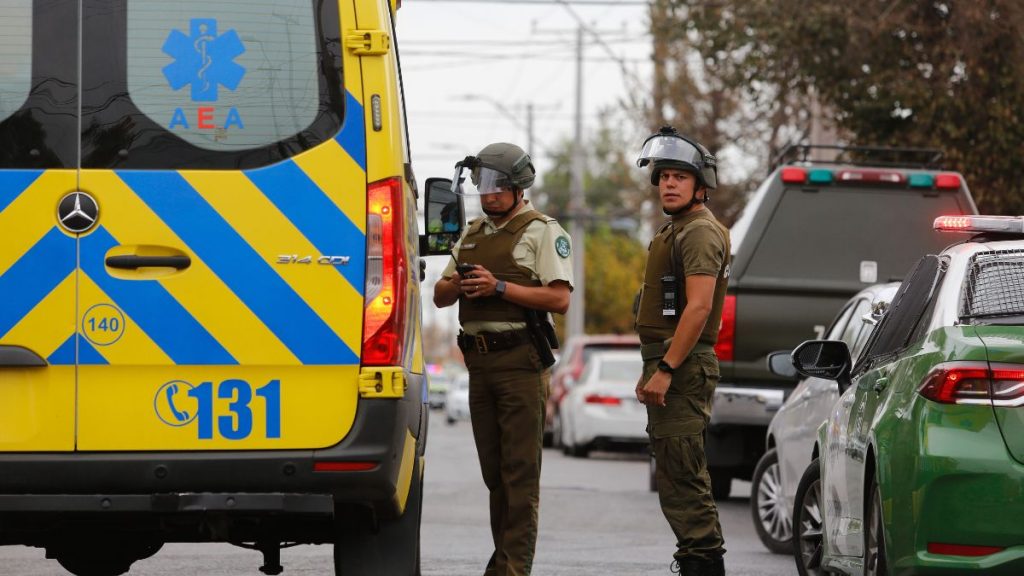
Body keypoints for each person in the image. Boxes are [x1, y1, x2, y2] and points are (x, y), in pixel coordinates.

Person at [433, 142, 574, 576]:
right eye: (481, 183)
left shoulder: (542, 231)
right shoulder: (472, 233)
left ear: (518, 186)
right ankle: (504, 562)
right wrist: (459, 284)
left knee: (519, 476)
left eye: (496, 184)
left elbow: (559, 298)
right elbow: (439, 296)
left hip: (519, 364)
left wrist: (499, 288)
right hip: (479, 367)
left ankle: (512, 569)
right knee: (495, 475)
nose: (487, 192)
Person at [633, 126, 730, 576]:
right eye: (664, 175)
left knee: (685, 478)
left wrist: (667, 367)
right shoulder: (677, 230)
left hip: (684, 367)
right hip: (669, 362)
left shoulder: (699, 233)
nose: (668, 183)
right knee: (675, 476)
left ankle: (703, 565)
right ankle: (696, 560)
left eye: (679, 176)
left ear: (700, 185)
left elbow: (700, 308)